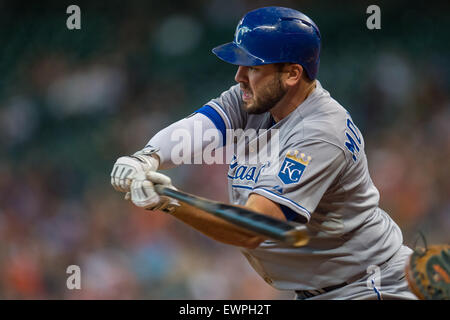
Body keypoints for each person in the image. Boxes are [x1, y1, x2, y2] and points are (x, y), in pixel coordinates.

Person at [110, 6, 417, 300]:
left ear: (293, 74)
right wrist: (146, 158)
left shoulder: (320, 132)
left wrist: (172, 202)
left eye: (253, 66)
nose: (239, 76)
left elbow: (253, 229)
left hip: (370, 287)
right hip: (328, 288)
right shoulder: (258, 98)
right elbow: (198, 128)